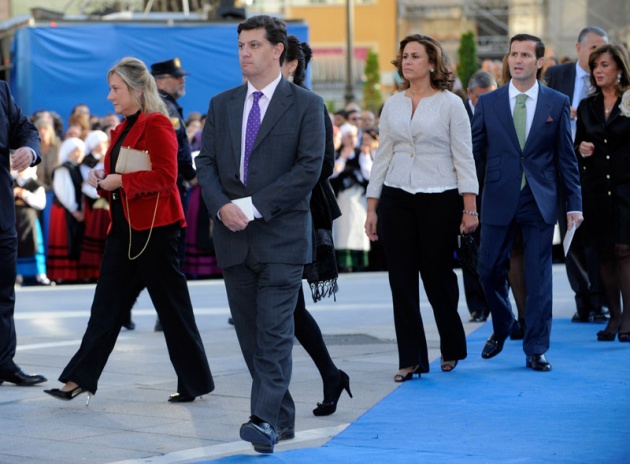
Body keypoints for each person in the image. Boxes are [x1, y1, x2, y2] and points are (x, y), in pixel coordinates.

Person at [43, 57, 214, 404]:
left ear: (137, 91)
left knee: (173, 310)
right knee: (105, 306)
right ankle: (78, 379)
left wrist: (120, 180)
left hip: (157, 231)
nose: (109, 96)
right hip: (124, 231)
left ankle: (194, 382)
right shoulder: (119, 130)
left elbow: (167, 177)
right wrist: (100, 181)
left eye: (116, 89)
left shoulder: (158, 124)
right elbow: (115, 179)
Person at [195, 15, 326, 454]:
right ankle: (281, 415)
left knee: (273, 333)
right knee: (251, 338)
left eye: (253, 45)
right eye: (240, 46)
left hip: (282, 238)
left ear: (277, 51)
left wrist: (251, 207)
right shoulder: (222, 103)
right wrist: (221, 206)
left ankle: (262, 421)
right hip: (233, 238)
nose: (244, 54)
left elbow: (309, 168)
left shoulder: (307, 105)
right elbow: (206, 163)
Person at [364, 34, 479, 381]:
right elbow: (382, 156)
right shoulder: (393, 104)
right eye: (404, 56)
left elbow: (464, 155)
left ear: (432, 63)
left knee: (437, 276)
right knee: (400, 279)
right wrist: (372, 207)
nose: (407, 61)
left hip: (440, 196)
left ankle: (451, 347)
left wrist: (469, 207)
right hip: (397, 197)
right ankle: (411, 358)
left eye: (415, 56)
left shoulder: (451, 103)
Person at [472, 34, 583, 372]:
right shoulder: (488, 103)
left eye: (524, 55)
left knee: (538, 279)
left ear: (539, 62)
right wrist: (467, 201)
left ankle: (536, 348)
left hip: (539, 198)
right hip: (497, 196)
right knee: (487, 270)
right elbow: (475, 155)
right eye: (512, 54)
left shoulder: (557, 102)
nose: (517, 60)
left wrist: (573, 203)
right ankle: (504, 323)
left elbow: (566, 158)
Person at [282, 34, 351, 418]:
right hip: (262, 217)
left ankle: (323, 377)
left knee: (287, 306)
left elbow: (323, 166)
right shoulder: (253, 103)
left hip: (299, 214)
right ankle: (330, 374)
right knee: (288, 307)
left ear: (289, 63)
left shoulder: (312, 105)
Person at [544, 26, 609, 323]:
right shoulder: (557, 75)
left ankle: (600, 300)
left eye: (603, 49)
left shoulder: (609, 78)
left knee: (596, 235)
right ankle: (583, 300)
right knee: (570, 233)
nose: (599, 55)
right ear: (579, 48)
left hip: (596, 170)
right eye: (594, 48)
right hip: (560, 166)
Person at [575, 44, 630, 342]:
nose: (598, 70)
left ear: (619, 68)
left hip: (626, 188)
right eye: (595, 65)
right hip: (597, 189)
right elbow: (577, 144)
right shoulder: (587, 106)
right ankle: (615, 316)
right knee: (606, 254)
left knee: (625, 251)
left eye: (604, 65)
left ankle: (628, 320)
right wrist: (581, 148)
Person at [0, 81, 47, 386]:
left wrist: (29, 150)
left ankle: (3, 363)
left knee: (4, 292)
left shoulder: (2, 91)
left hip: (2, 213)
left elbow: (25, 128)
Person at [149, 57, 198, 332]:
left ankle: (165, 314)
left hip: (171, 187)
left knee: (165, 256)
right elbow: (175, 151)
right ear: (159, 80)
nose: (182, 80)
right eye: (175, 76)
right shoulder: (162, 107)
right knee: (170, 254)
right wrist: (191, 176)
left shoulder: (165, 104)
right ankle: (169, 315)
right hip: (172, 188)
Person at [461, 70, 497, 323]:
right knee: (470, 249)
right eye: (480, 98)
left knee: (496, 250)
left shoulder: (500, 109)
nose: (485, 103)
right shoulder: (458, 111)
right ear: (470, 94)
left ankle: (498, 300)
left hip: (494, 189)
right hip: (463, 192)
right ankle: (477, 306)